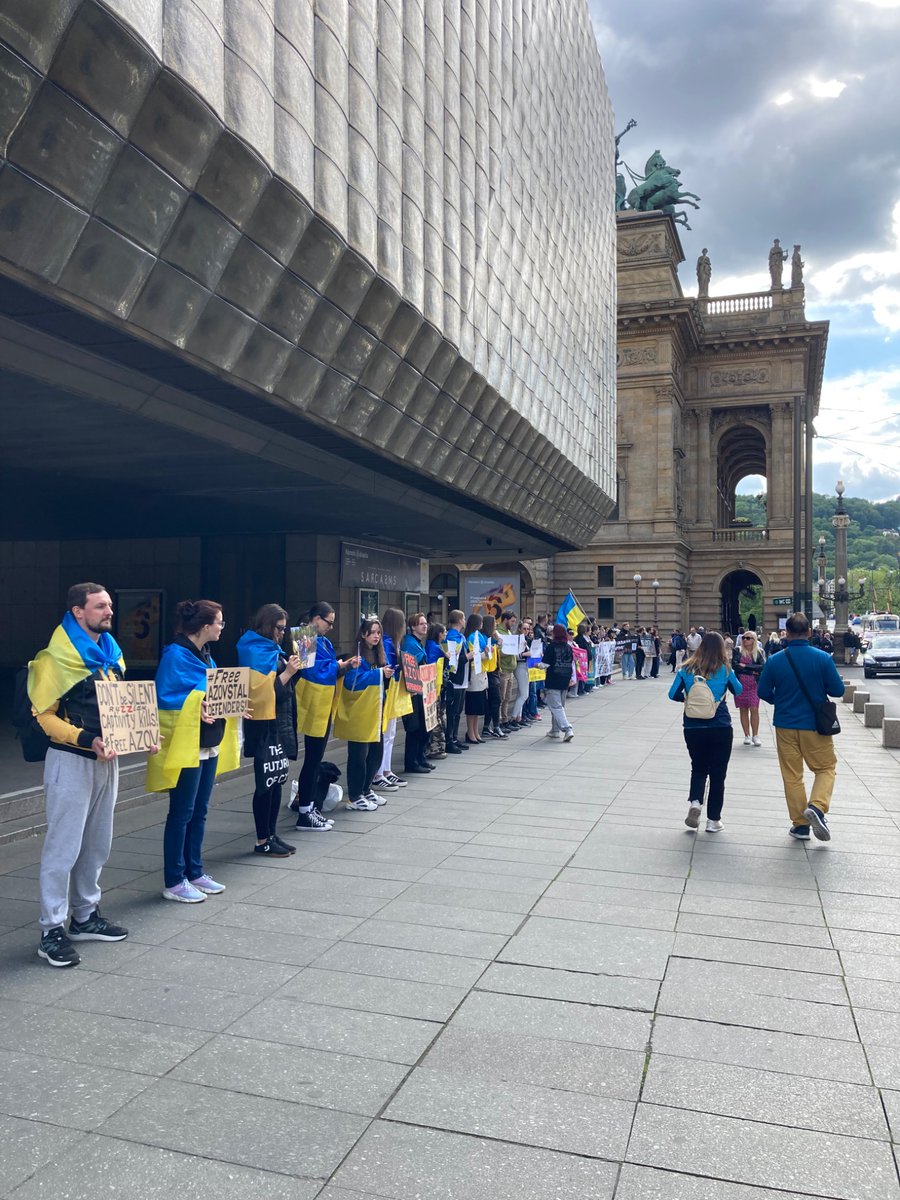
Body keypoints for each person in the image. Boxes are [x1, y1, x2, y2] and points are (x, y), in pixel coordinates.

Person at [28, 583, 146, 967]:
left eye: (110, 604)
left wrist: (143, 731)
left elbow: (122, 709)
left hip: (105, 760)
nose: (109, 611)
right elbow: (42, 716)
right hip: (71, 760)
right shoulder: (54, 659)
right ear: (78, 611)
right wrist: (86, 738)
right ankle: (51, 930)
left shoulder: (111, 655)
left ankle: (84, 915)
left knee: (97, 844)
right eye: (100, 606)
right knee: (63, 848)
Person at [149, 599, 241, 902]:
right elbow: (167, 697)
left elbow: (209, 690)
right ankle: (174, 879)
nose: (221, 627)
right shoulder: (176, 655)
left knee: (199, 810)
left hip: (207, 740)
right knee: (182, 812)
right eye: (220, 622)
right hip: (187, 741)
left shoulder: (204, 654)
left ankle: (195, 870)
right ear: (205, 626)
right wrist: (198, 702)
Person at [757, 612, 846, 842]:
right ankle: (816, 807)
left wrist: (780, 701)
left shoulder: (775, 660)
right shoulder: (822, 658)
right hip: (815, 726)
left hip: (785, 724)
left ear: (786, 633)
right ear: (809, 632)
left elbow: (763, 692)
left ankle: (800, 825)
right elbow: (838, 691)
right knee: (825, 768)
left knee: (792, 775)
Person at [238, 604, 306, 855]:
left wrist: (293, 669)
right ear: (267, 625)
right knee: (265, 781)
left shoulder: (271, 648)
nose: (281, 634)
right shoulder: (253, 649)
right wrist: (288, 672)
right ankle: (262, 838)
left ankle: (272, 834)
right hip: (263, 724)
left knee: (278, 778)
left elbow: (282, 686)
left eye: (284, 629)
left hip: (279, 720)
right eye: (279, 628)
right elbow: (262, 694)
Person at [292, 601, 359, 829]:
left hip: (323, 702)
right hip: (314, 702)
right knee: (311, 760)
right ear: (316, 618)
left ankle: (309, 807)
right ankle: (305, 811)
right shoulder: (304, 636)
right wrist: (340, 666)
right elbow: (311, 670)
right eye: (328, 622)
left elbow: (322, 667)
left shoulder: (321, 640)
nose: (331, 626)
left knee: (314, 759)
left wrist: (342, 666)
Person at [669, 632, 742, 833]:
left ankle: (695, 802)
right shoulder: (725, 669)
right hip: (720, 725)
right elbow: (738, 690)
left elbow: (672, 694)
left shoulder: (685, 668)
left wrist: (688, 701)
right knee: (718, 774)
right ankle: (713, 821)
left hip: (693, 726)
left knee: (698, 767)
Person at [335, 618, 394, 811]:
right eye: (373, 632)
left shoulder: (379, 654)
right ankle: (355, 795)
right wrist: (379, 675)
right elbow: (353, 682)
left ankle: (366, 788)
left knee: (376, 753)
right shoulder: (357, 656)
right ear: (363, 634)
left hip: (375, 712)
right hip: (360, 713)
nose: (376, 636)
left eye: (379, 632)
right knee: (359, 755)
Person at [371, 606, 411, 791]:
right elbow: (388, 666)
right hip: (387, 690)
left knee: (390, 733)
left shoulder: (393, 642)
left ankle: (385, 770)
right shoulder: (387, 642)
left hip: (392, 690)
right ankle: (378, 773)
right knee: (385, 733)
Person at [401, 612, 435, 773]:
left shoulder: (418, 643)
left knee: (425, 728)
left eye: (425, 623)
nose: (425, 625)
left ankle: (420, 758)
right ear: (413, 626)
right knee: (415, 728)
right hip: (414, 692)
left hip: (424, 690)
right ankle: (411, 762)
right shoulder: (409, 643)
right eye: (421, 623)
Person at [442, 609, 470, 754]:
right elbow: (455, 659)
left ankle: (454, 737)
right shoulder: (452, 637)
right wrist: (470, 656)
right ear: (459, 620)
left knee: (458, 710)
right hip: (456, 677)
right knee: (453, 710)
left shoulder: (461, 637)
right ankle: (449, 740)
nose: (465, 620)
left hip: (463, 677)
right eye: (463, 618)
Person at [542, 624, 575, 742]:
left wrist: (536, 665)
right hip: (565, 679)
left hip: (553, 679)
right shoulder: (568, 647)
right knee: (560, 707)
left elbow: (545, 664)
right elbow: (571, 663)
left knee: (556, 707)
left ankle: (567, 729)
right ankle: (554, 730)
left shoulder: (552, 647)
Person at [732, 630, 766, 747]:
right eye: (744, 638)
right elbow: (735, 666)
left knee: (754, 708)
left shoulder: (759, 652)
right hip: (741, 683)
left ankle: (755, 735)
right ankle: (746, 735)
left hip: (754, 684)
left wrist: (746, 666)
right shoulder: (737, 650)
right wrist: (752, 670)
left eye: (748, 638)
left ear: (754, 640)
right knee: (743, 709)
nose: (745, 640)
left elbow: (762, 667)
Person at [480, 614, 506, 739]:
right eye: (494, 623)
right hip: (489, 672)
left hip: (494, 671)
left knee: (492, 700)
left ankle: (487, 726)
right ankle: (495, 726)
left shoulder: (492, 638)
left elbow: (500, 646)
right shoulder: (485, 638)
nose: (496, 625)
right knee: (496, 699)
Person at [464, 612, 488, 744]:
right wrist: (486, 652)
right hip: (474, 672)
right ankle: (470, 732)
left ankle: (475, 731)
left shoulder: (479, 635)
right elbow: (476, 654)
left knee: (478, 706)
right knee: (472, 706)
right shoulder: (472, 636)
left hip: (481, 672)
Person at [497, 610, 519, 729]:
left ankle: (505, 720)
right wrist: (510, 650)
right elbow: (498, 652)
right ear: (505, 620)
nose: (513, 624)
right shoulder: (499, 632)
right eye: (512, 621)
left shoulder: (509, 632)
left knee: (507, 698)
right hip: (503, 668)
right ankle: (499, 721)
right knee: (501, 697)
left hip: (510, 668)